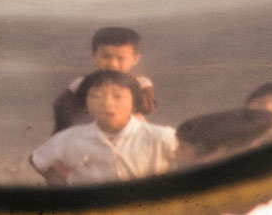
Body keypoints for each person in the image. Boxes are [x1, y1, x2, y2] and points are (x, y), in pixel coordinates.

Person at [31, 69, 177, 185]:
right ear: (86, 102)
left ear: (134, 102)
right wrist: (64, 186)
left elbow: (190, 159)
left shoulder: (161, 136)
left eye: (118, 96)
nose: (108, 103)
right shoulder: (69, 138)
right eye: (97, 96)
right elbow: (37, 160)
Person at [52, 26, 157, 133]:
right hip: (91, 131)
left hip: (128, 133)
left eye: (121, 59)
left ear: (135, 59)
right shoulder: (83, 83)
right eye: (106, 57)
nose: (113, 64)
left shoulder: (140, 83)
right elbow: (62, 108)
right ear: (94, 55)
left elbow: (148, 109)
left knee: (138, 119)